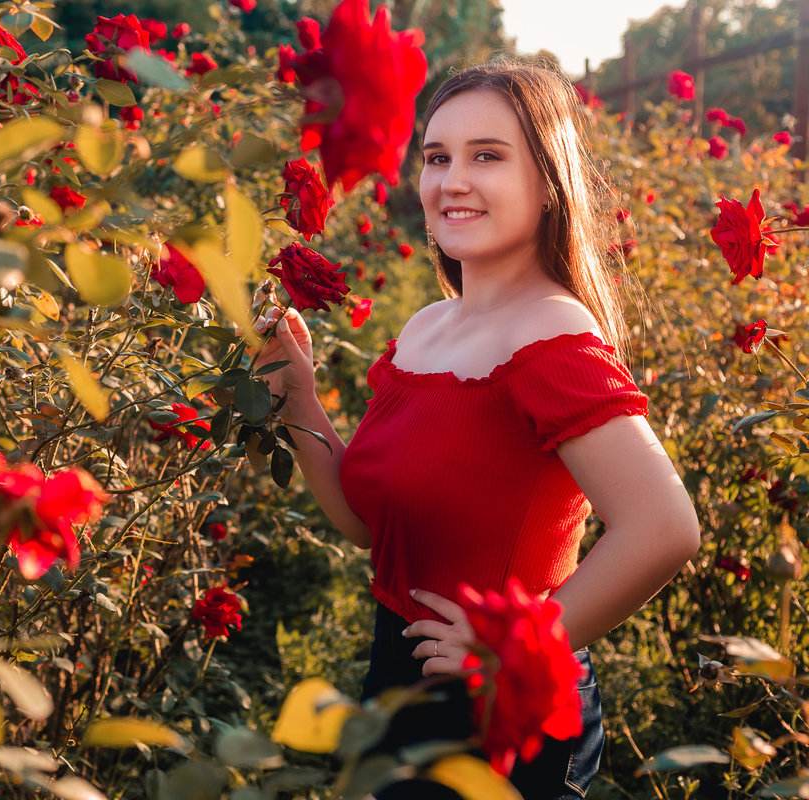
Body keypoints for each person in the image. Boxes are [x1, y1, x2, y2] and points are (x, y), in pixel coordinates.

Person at [252, 59, 700, 799]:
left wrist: (514, 645)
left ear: (548, 181)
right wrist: (299, 400)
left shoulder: (551, 334)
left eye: (487, 155)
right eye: (437, 157)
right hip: (396, 678)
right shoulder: (429, 326)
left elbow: (664, 526)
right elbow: (371, 525)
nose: (451, 180)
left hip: (496, 711)